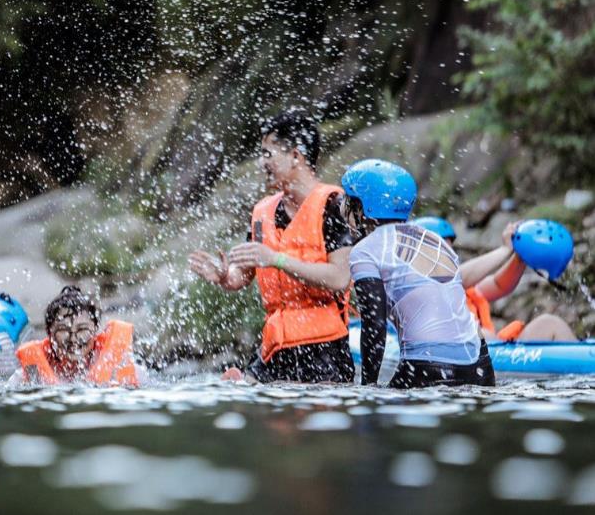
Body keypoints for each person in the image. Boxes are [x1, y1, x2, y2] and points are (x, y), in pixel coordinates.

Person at [189, 110, 354, 383]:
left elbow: (339, 278)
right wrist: (223, 277)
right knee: (228, 392)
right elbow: (241, 276)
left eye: (268, 154)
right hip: (275, 346)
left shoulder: (333, 205)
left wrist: (277, 259)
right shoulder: (262, 212)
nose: (261, 163)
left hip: (324, 350)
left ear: (296, 156)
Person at [343, 160, 493, 388]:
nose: (345, 213)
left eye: (349, 204)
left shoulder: (366, 250)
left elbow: (374, 325)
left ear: (363, 207)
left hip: (427, 366)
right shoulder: (435, 241)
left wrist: (367, 388)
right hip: (480, 364)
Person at [412, 216, 578, 342]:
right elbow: (455, 277)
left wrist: (520, 254)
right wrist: (505, 250)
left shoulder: (466, 290)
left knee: (550, 323)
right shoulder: (418, 288)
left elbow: (500, 285)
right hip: (465, 359)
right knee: (481, 333)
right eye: (442, 249)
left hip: (494, 355)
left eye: (450, 249)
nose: (449, 255)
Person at [15, 286, 138, 386]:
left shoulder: (126, 367)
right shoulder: (26, 375)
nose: (73, 339)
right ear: (49, 332)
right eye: (63, 329)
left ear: (95, 330)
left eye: (82, 329)